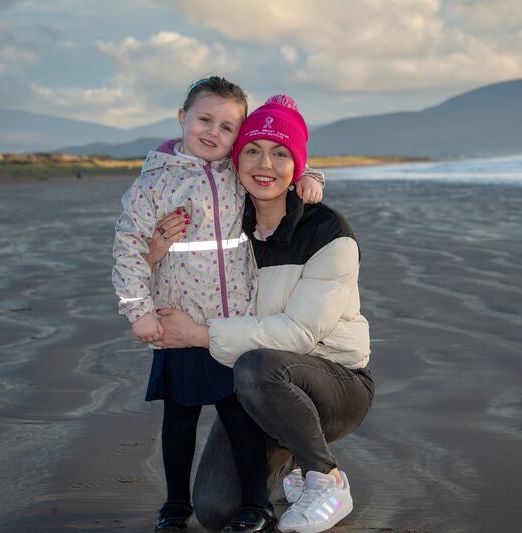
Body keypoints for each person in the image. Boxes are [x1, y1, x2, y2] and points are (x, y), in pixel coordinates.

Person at [150, 94, 374, 533]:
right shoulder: (226, 224)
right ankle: (287, 463)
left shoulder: (328, 232)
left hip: (334, 385)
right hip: (260, 391)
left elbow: (299, 335)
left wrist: (197, 335)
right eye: (252, 150)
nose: (264, 163)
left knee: (256, 364)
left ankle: (325, 479)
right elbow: (179, 267)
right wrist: (157, 254)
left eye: (280, 153)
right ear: (236, 160)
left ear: (298, 166)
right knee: (217, 511)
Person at [111, 77, 325, 533]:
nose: (213, 132)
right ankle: (173, 506)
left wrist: (309, 176)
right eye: (204, 119)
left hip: (235, 325)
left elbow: (279, 163)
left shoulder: (236, 171)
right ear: (181, 118)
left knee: (239, 419)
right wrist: (138, 312)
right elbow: (129, 247)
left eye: (228, 127)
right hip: (178, 321)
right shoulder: (153, 184)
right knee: (180, 420)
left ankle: (256, 503)